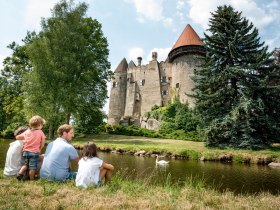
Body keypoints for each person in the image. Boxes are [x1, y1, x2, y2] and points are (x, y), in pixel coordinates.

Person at [16, 115, 46, 180]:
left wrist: (25, 138)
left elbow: (17, 137)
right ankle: (32, 179)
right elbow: (43, 142)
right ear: (39, 125)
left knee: (26, 165)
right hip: (34, 152)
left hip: (25, 152)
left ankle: (20, 173)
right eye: (42, 125)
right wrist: (40, 148)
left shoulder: (27, 131)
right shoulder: (40, 132)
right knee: (32, 167)